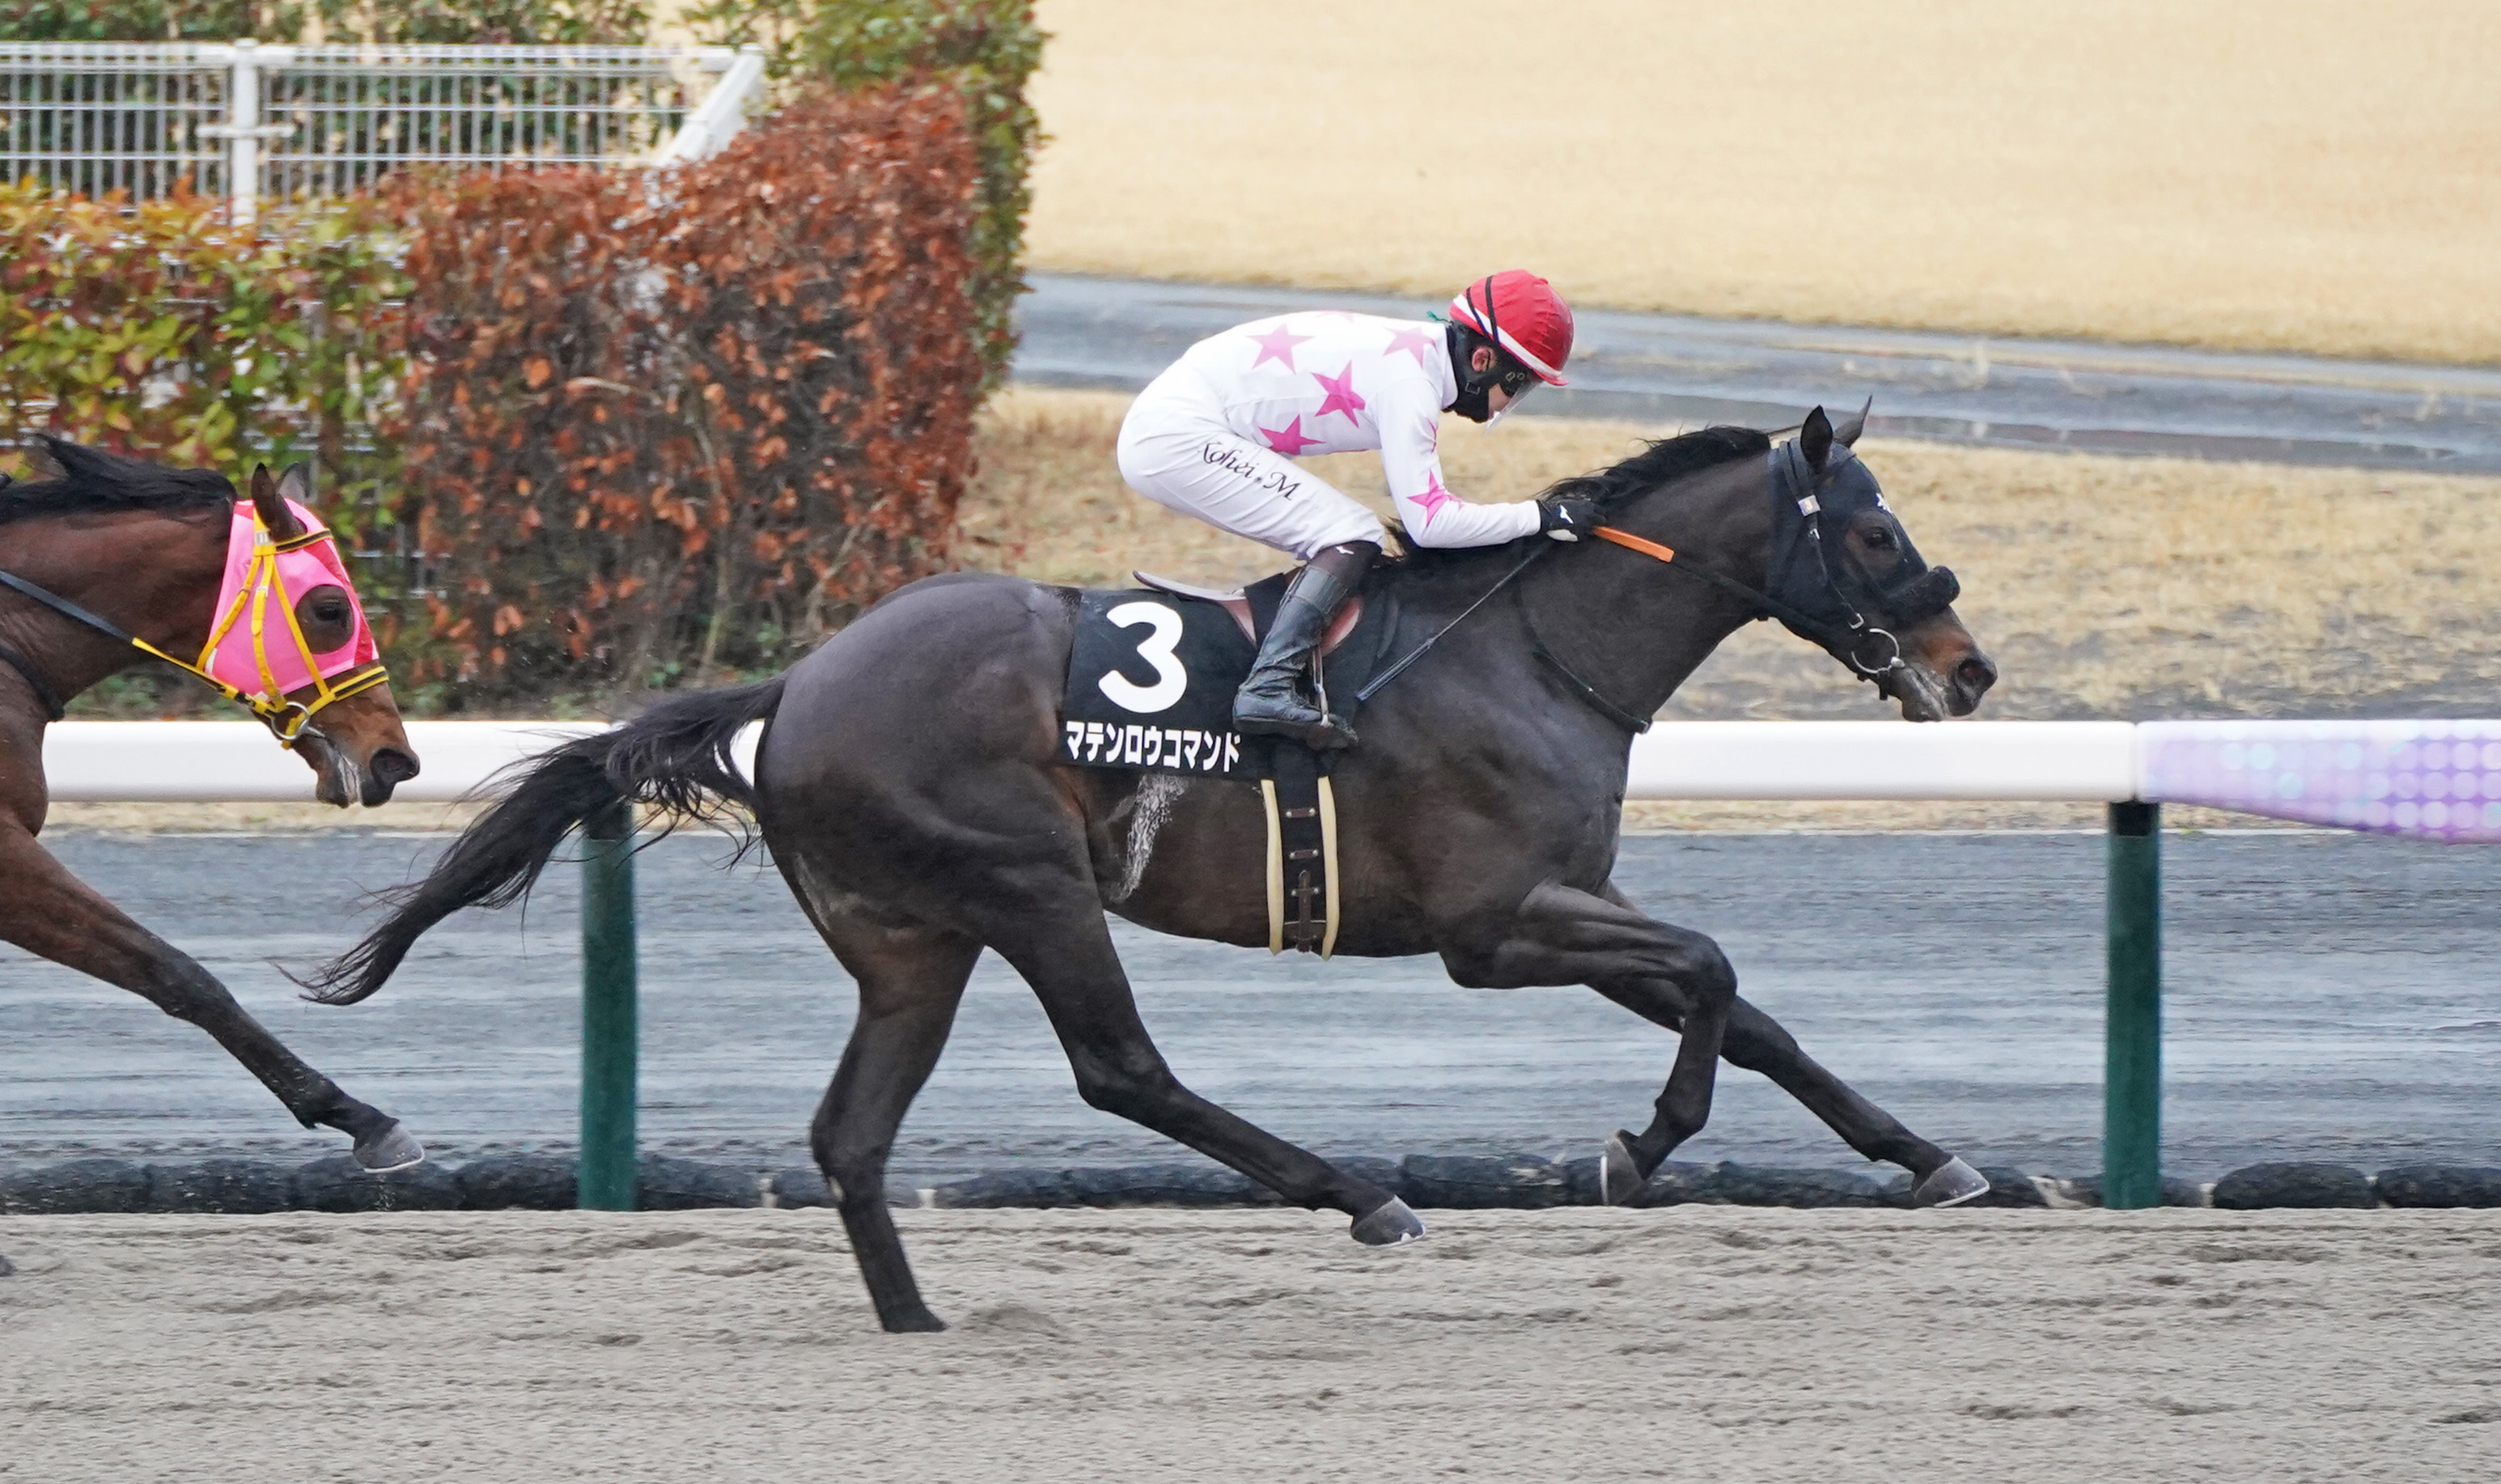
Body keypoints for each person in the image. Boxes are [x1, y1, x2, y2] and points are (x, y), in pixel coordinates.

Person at [1116, 270, 1600, 749]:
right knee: (1351, 533)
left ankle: (1288, 666)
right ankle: (1267, 686)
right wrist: (1542, 516)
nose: (1508, 404)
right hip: (1176, 436)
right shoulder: (1411, 386)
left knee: (1342, 533)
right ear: (1482, 358)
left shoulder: (1416, 355)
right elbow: (1431, 524)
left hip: (1183, 423)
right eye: (1518, 387)